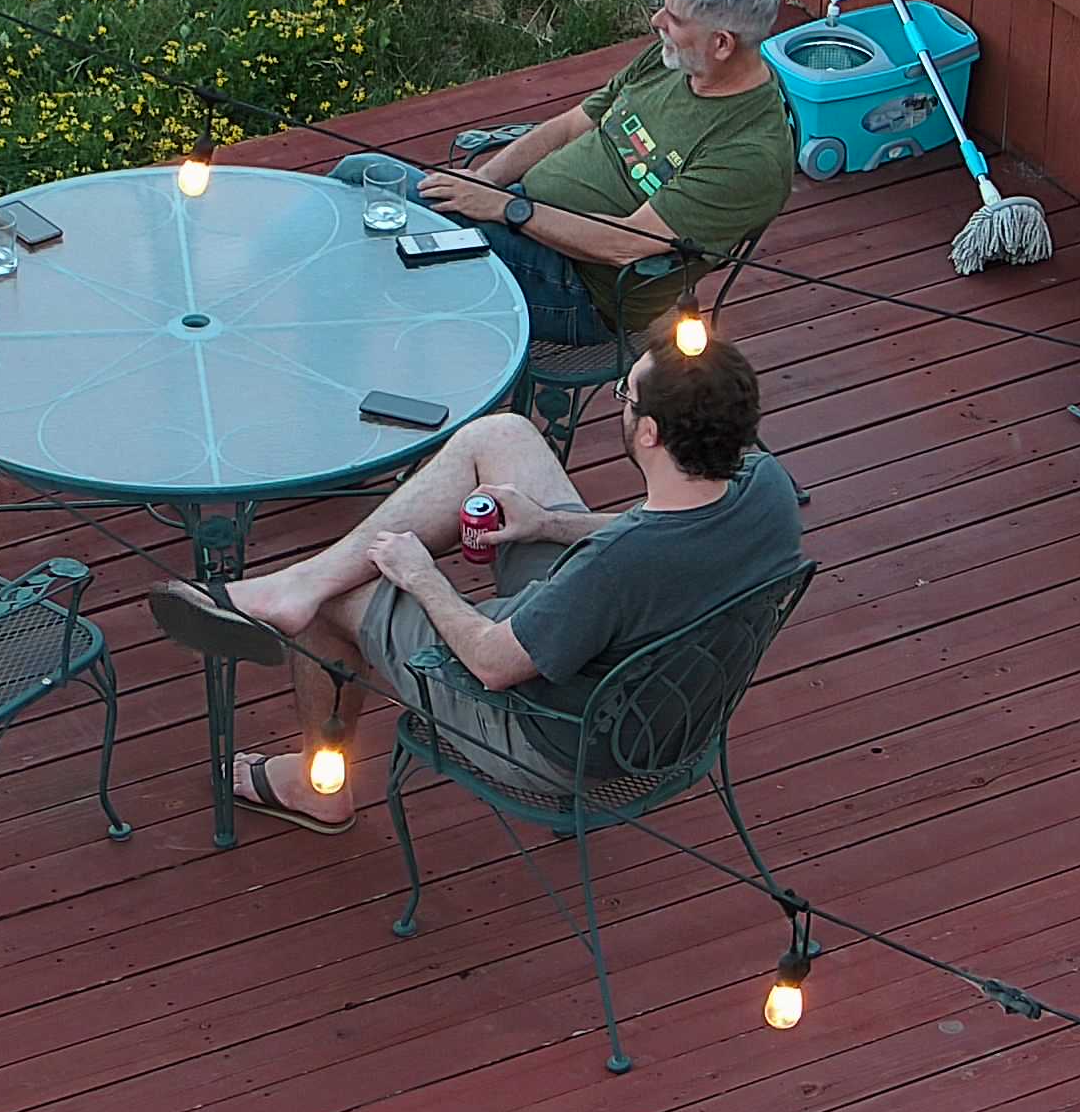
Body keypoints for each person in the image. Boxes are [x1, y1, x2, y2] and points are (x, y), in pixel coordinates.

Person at [143, 338, 802, 831]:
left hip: (553, 738)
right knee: (501, 436)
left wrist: (423, 577)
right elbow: (654, 532)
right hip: (662, 701)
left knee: (341, 598)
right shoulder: (763, 487)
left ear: (649, 433)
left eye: (626, 396)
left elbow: (492, 662)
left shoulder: (615, 567)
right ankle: (296, 585)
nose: (621, 406)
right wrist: (546, 522)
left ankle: (319, 784)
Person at [335, 0, 797, 347]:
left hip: (576, 288)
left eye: (674, 18)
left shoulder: (748, 156)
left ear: (722, 44)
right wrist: (484, 180)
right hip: (522, 216)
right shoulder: (674, 61)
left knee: (378, 233)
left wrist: (505, 208)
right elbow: (573, 123)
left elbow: (625, 244)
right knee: (361, 181)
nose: (656, 20)